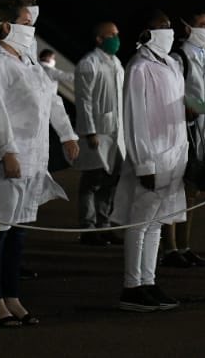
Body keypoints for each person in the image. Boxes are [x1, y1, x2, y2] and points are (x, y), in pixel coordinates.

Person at [0, 0, 79, 326]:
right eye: (25, 21)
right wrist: (6, 150)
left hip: (34, 158)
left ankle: (12, 295)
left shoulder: (30, 62)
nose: (31, 28)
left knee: (18, 233)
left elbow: (52, 98)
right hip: (8, 158)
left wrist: (67, 134)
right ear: (7, 26)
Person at [115, 10, 187, 312]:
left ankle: (149, 281)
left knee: (157, 223)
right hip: (152, 157)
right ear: (146, 32)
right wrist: (143, 162)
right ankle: (132, 286)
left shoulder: (171, 64)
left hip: (174, 156)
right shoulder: (139, 68)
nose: (168, 31)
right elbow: (135, 118)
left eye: (170, 26)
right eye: (161, 27)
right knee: (140, 223)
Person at [161, 11, 205, 268]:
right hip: (181, 130)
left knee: (191, 192)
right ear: (187, 28)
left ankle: (185, 245)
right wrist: (187, 108)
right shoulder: (178, 57)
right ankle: (169, 248)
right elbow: (170, 93)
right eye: (201, 25)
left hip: (201, 131)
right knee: (173, 191)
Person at [72, 21, 125, 247]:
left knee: (111, 180)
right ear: (99, 39)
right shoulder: (88, 63)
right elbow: (83, 101)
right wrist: (89, 131)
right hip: (98, 132)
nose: (116, 38)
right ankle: (88, 227)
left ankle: (104, 225)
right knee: (92, 179)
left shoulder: (116, 63)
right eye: (111, 35)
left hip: (116, 132)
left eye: (117, 34)